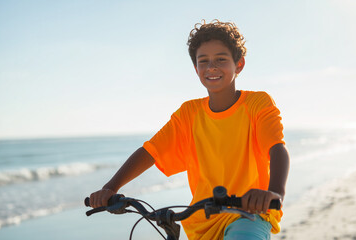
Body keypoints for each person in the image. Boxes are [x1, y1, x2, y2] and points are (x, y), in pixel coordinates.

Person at [89, 19, 290, 240]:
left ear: (239, 65)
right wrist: (111, 187)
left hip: (248, 214)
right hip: (201, 222)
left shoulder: (257, 104)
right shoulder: (189, 113)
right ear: (196, 68)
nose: (211, 67)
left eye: (221, 59)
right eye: (203, 61)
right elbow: (151, 151)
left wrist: (275, 192)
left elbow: (277, 148)